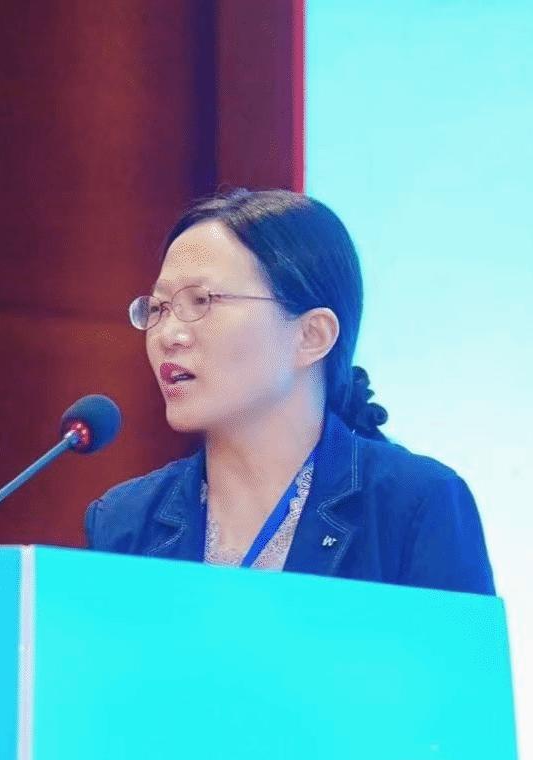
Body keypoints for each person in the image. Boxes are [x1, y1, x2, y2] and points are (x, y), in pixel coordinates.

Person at [84, 188, 495, 595]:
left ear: (312, 335)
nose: (168, 335)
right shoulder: (124, 523)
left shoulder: (415, 506)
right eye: (158, 308)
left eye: (201, 301)